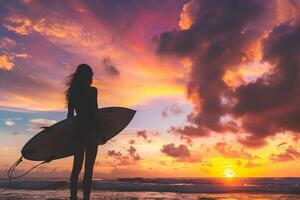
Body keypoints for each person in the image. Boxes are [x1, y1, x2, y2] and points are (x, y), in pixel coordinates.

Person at [65, 64, 100, 200]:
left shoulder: (72, 93)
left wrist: (68, 134)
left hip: (78, 132)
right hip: (91, 131)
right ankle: (86, 198)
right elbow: (95, 113)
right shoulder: (92, 91)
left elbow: (69, 117)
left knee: (76, 168)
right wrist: (102, 132)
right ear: (88, 76)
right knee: (88, 168)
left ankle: (73, 197)